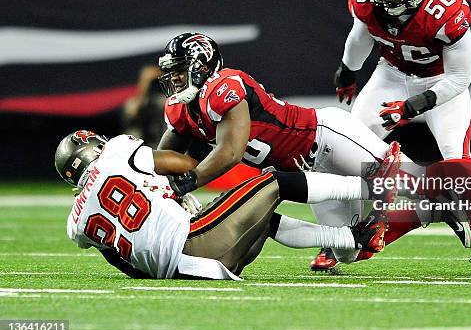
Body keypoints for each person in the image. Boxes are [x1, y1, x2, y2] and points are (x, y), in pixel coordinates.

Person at [155, 32, 471, 275]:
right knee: (354, 248)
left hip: (327, 135)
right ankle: (438, 211)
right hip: (308, 170)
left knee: (417, 182)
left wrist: (190, 181)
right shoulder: (180, 108)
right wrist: (146, 175)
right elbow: (165, 156)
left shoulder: (227, 85)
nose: (172, 81)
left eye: (178, 71)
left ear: (202, 67)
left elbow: (230, 151)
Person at [332, 0, 471, 275]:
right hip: (391, 74)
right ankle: (341, 239)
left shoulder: (445, 11)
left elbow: (459, 79)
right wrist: (348, 70)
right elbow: (360, 34)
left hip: (440, 83)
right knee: (345, 148)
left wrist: (410, 107)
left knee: (457, 161)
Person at [55, 130, 411, 279]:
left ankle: (353, 239)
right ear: (94, 148)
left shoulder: (75, 225)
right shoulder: (118, 149)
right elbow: (183, 165)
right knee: (271, 181)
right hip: (200, 241)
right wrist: (170, 187)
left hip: (187, 268)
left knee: (261, 217)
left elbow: (124, 262)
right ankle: (370, 185)